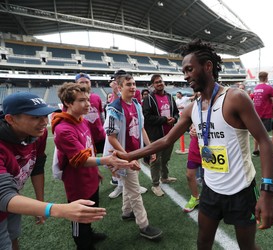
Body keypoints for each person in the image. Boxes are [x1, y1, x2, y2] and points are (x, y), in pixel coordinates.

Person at [113, 39, 273, 249]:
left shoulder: (235, 98)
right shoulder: (192, 108)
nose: (186, 75)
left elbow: (264, 141)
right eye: (184, 70)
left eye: (189, 69)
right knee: (202, 241)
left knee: (247, 247)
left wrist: (267, 192)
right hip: (210, 190)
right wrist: (129, 155)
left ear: (208, 66)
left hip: (241, 191)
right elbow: (166, 140)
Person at [0, 92, 107, 250]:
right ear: (10, 119)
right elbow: (4, 195)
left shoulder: (38, 134)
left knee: (13, 235)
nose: (44, 122)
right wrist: (56, 209)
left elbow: (37, 165)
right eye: (35, 117)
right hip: (8, 198)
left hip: (14, 197)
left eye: (45, 115)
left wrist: (40, 202)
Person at [52, 82, 139, 250]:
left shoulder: (81, 121)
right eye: (81, 101)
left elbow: (88, 150)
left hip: (89, 178)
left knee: (90, 212)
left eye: (87, 99)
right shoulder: (64, 129)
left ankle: (89, 235)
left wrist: (95, 170)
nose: (88, 104)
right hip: (77, 184)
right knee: (79, 218)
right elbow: (79, 159)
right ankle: (83, 245)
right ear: (69, 103)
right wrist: (106, 161)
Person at [103, 73, 162, 240]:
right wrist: (127, 157)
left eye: (134, 84)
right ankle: (144, 225)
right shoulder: (114, 108)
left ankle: (126, 212)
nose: (133, 87)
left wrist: (149, 149)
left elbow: (141, 128)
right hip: (124, 156)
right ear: (119, 87)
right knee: (134, 190)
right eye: (128, 84)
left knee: (129, 184)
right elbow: (111, 137)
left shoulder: (136, 104)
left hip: (133, 154)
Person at [142, 74, 179, 197]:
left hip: (170, 134)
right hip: (156, 135)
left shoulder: (169, 96)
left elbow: (176, 113)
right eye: (157, 82)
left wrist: (174, 118)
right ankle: (155, 184)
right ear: (153, 85)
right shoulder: (149, 98)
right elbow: (147, 117)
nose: (159, 84)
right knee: (155, 160)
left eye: (161, 81)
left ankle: (165, 177)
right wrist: (164, 120)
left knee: (166, 158)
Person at [75, 73, 106, 153]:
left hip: (100, 135)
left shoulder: (96, 97)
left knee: (110, 158)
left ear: (90, 83)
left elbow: (101, 116)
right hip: (84, 137)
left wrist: (104, 129)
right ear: (76, 83)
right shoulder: (72, 99)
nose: (84, 84)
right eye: (81, 82)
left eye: (87, 82)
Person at [252, 71, 273, 156]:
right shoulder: (269, 88)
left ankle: (255, 150)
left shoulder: (256, 88)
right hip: (266, 114)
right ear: (266, 78)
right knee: (264, 135)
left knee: (257, 133)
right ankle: (264, 152)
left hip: (256, 114)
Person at [183, 125, 203, 213]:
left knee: (209, 178)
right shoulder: (194, 111)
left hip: (209, 149)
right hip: (194, 149)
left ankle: (210, 199)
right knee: (189, 175)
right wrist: (190, 128)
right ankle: (195, 197)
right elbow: (187, 123)